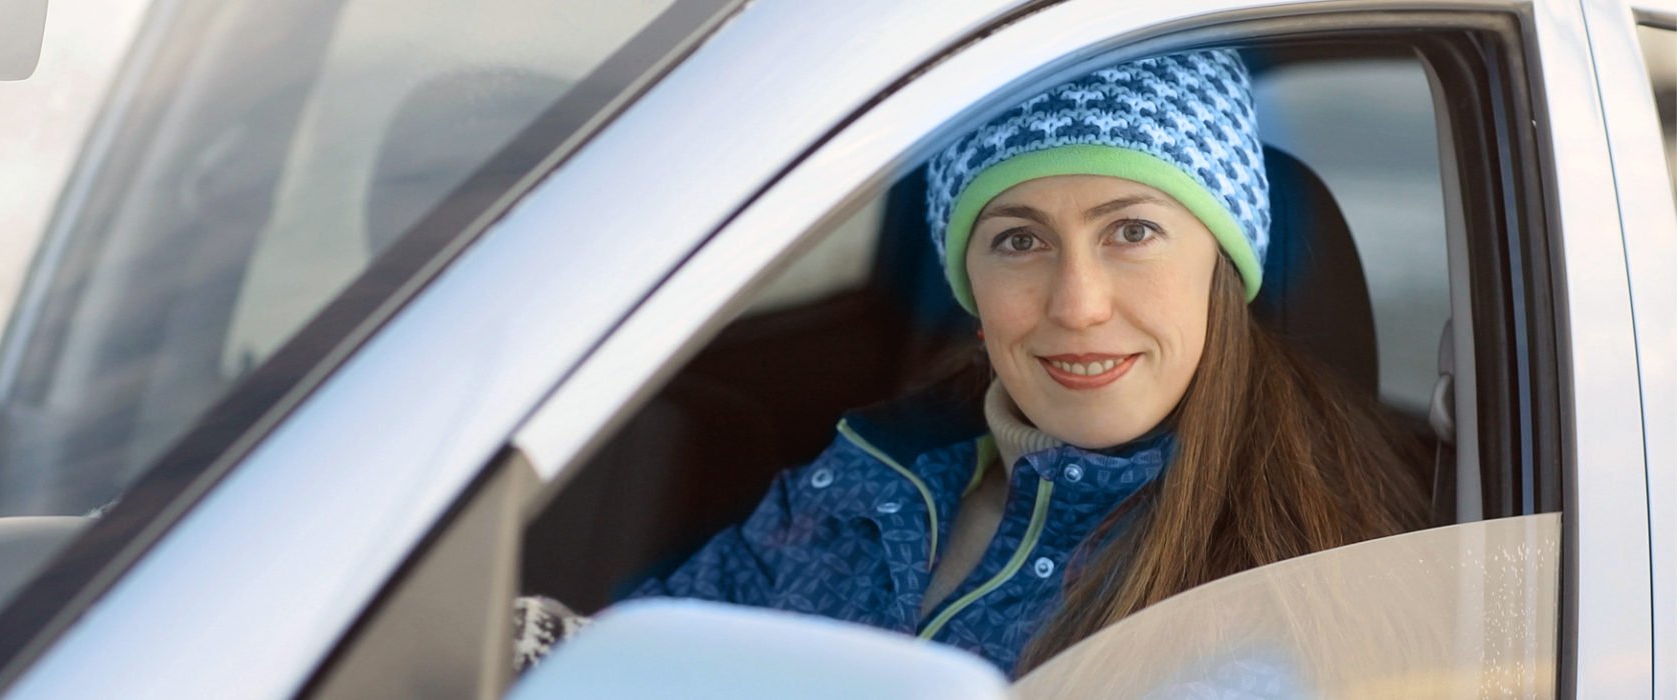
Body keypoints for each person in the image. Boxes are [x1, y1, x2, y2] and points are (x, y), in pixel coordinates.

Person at [519, 48, 1433, 679]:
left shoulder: (1301, 591)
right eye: (1019, 240)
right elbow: (638, 659)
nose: (1077, 303)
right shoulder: (870, 478)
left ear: (1222, 266)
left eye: (1132, 232)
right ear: (968, 280)